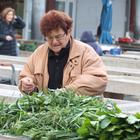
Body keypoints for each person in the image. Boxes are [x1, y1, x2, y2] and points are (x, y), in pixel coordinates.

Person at [19, 10, 108, 96]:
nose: (54, 42)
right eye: (49, 37)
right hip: (47, 109)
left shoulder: (85, 52)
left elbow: (98, 80)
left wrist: (65, 93)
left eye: (58, 37)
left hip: (77, 109)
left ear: (69, 32)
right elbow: (26, 75)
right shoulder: (39, 53)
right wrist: (28, 84)